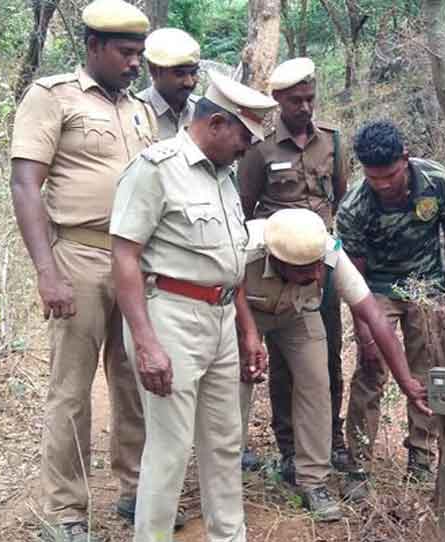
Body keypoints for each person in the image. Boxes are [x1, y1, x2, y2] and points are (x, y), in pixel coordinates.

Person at [9, 1, 159, 539]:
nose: (134, 63)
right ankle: (65, 511)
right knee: (71, 390)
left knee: (136, 380)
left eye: (139, 53)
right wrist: (47, 272)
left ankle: (137, 488)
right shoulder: (52, 97)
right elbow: (26, 184)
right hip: (78, 256)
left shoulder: (140, 108)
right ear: (94, 47)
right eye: (125, 52)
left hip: (134, 263)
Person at [110, 71, 276, 542]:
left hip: (222, 317)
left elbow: (229, 261)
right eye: (245, 137)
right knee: (169, 448)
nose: (248, 148)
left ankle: (229, 535)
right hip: (171, 319)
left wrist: (246, 330)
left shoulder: (224, 175)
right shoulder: (155, 168)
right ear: (218, 123)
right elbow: (124, 255)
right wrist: (145, 342)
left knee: (225, 442)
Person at [239, 208, 431, 520]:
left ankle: (313, 481)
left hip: (298, 313)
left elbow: (374, 316)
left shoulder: (327, 252)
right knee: (236, 386)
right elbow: (228, 289)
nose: (318, 275)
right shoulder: (244, 248)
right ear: (277, 260)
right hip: (246, 311)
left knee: (317, 384)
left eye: (319, 266)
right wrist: (249, 335)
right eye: (306, 270)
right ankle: (226, 474)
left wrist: (406, 380)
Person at [237, 57, 350, 476]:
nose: (305, 108)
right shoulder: (260, 149)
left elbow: (338, 199)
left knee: (325, 354)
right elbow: (245, 209)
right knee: (281, 361)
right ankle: (288, 447)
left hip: (319, 263)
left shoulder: (333, 143)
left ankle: (329, 440)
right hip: (274, 266)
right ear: (278, 100)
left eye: (310, 99)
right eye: (295, 101)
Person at [336, 120, 445, 488]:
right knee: (371, 370)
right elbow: (354, 279)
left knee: (426, 369)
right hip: (378, 288)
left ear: (405, 159)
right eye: (375, 178)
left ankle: (421, 457)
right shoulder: (354, 207)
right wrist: (365, 332)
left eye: (390, 175)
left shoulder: (436, 180)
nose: (383, 185)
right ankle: (358, 465)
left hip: (427, 285)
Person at [138, 27, 201, 140]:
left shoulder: (201, 111)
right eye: (180, 74)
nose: (189, 82)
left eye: (193, 73)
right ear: (155, 71)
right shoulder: (136, 112)